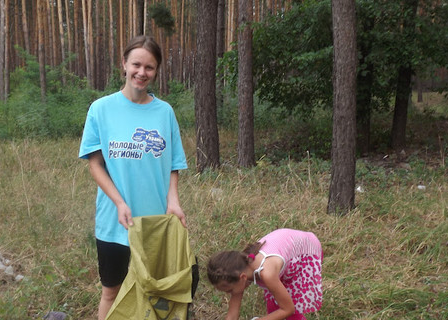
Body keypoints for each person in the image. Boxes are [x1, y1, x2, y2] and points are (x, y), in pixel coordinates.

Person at [78, 35, 188, 320]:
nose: (142, 73)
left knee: (155, 292)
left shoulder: (165, 112)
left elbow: (174, 163)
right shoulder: (101, 109)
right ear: (124, 64)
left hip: (154, 223)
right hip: (115, 221)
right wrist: (118, 202)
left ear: (156, 71)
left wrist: (173, 201)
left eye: (149, 67)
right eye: (136, 64)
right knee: (111, 292)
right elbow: (95, 165)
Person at [207, 228, 323, 320]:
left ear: (242, 278)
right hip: (282, 253)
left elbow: (288, 309)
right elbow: (232, 316)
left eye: (229, 290)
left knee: (291, 311)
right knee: (273, 308)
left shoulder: (266, 273)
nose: (230, 294)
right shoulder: (238, 269)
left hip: (305, 251)